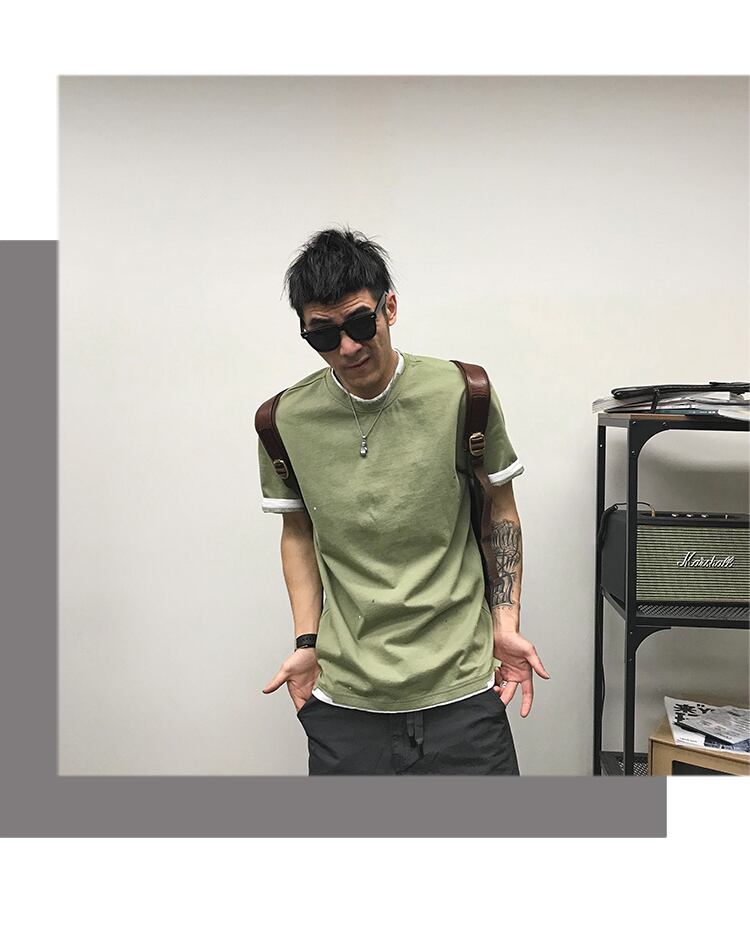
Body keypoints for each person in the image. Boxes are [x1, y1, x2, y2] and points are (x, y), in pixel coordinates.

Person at [257, 227, 549, 775]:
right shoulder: (283, 421)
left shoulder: (463, 393)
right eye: (324, 335)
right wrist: (307, 641)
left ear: (389, 308)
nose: (347, 347)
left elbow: (501, 511)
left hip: (462, 689)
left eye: (359, 323)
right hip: (347, 700)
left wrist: (505, 623)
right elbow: (297, 534)